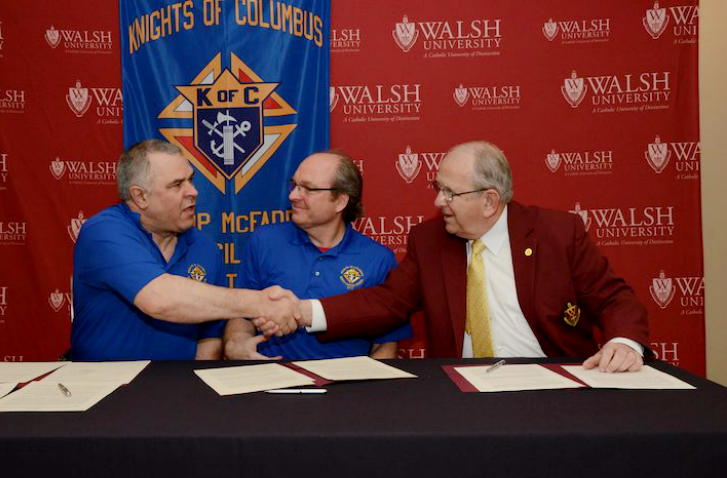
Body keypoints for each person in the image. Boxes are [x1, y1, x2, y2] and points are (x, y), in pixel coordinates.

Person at [255, 141, 650, 373]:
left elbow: (614, 298)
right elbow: (387, 302)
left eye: (449, 193)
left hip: (552, 381)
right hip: (460, 389)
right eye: (437, 187)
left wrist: (626, 342)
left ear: (489, 201)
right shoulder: (431, 241)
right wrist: (306, 311)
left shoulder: (557, 233)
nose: (436, 201)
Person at [71, 139, 300, 361]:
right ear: (140, 196)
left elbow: (210, 333)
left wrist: (196, 388)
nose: (193, 191)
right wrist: (261, 303)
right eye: (177, 185)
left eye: (191, 180)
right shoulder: (104, 231)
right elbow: (159, 299)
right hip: (107, 388)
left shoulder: (205, 246)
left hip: (177, 389)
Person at [224, 151, 411, 360]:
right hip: (273, 379)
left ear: (340, 201)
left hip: (347, 387)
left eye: (308, 189)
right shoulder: (264, 241)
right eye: (294, 185)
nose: (293, 195)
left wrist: (368, 389)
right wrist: (236, 344)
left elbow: (386, 345)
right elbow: (241, 313)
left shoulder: (378, 259)